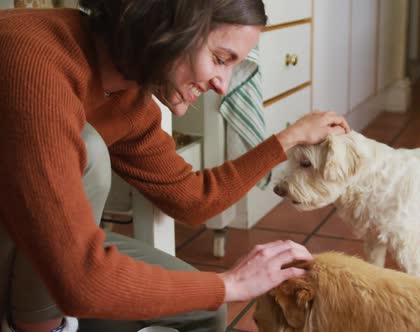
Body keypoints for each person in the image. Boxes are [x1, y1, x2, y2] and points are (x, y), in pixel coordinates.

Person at [0, 1, 350, 331]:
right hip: (29, 246)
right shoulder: (32, 60)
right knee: (90, 153)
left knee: (207, 306)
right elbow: (81, 281)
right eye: (219, 58)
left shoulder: (129, 99)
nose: (222, 84)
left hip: (46, 243)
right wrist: (231, 283)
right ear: (171, 25)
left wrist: (288, 139)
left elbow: (192, 199)